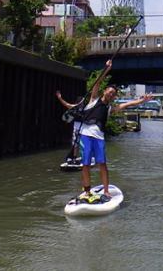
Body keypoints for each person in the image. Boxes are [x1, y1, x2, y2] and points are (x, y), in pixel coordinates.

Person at [77, 59, 153, 202]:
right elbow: (98, 82)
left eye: (113, 94)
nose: (111, 95)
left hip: (99, 137)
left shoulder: (110, 108)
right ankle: (86, 191)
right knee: (86, 164)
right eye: (110, 92)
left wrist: (143, 101)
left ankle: (106, 190)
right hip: (86, 135)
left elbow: (128, 104)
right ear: (105, 91)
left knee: (102, 164)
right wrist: (107, 69)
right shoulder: (94, 99)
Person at [55, 90, 84, 164]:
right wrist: (59, 98)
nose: (82, 103)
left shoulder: (86, 108)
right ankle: (74, 158)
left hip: (84, 128)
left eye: (83, 102)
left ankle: (86, 157)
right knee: (75, 143)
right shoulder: (75, 107)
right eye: (81, 102)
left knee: (84, 143)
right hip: (77, 127)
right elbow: (66, 104)